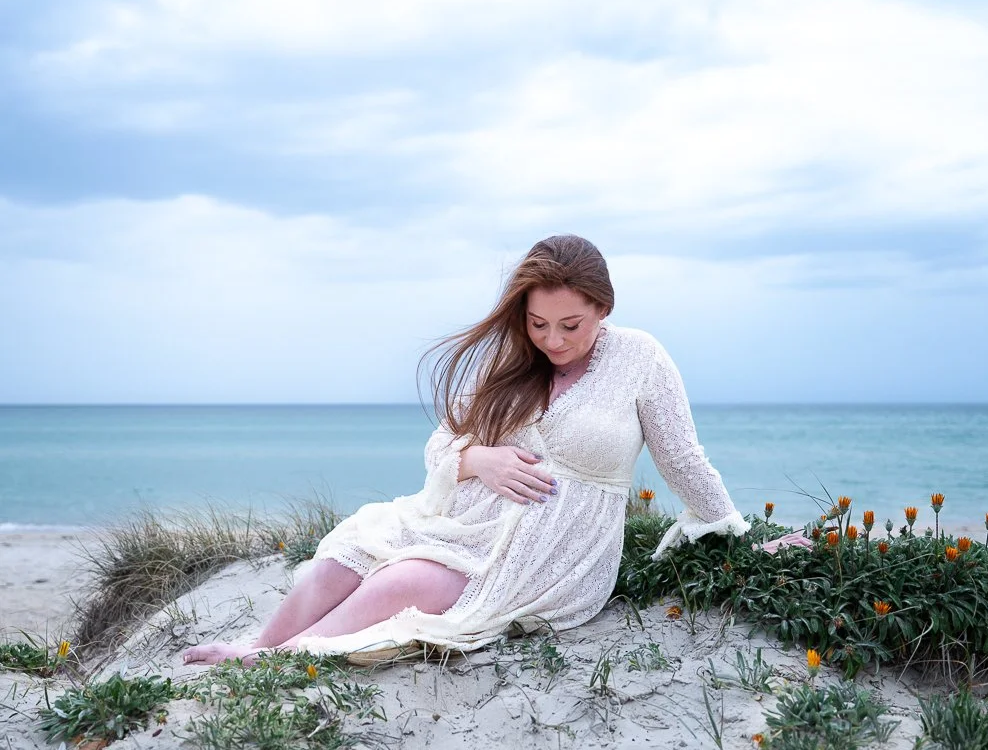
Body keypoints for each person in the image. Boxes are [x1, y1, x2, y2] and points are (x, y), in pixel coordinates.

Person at [183, 235, 809, 665]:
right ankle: (260, 645)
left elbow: (684, 461)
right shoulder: (519, 361)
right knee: (345, 556)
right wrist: (476, 459)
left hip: (554, 551)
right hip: (471, 518)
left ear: (603, 308)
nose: (554, 340)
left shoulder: (641, 358)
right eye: (539, 325)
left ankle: (276, 664)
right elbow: (444, 441)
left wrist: (743, 536)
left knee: (397, 583)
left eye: (571, 325)